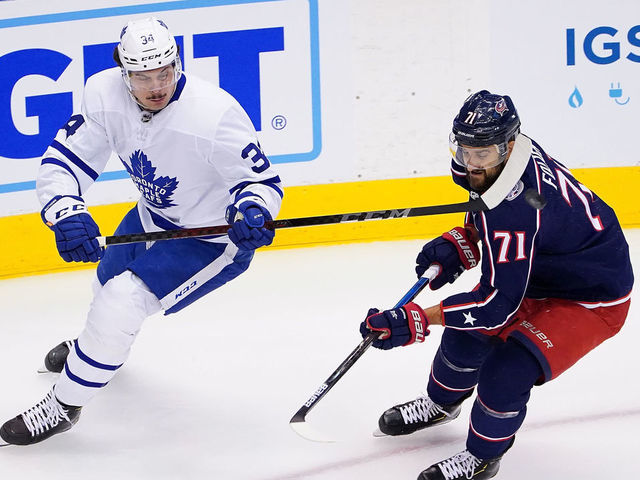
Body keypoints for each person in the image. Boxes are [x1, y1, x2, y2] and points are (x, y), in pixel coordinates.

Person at [0, 17, 282, 446]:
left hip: (207, 239)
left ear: (177, 63)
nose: (156, 86)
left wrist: (254, 210)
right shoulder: (102, 93)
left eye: (165, 72)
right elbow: (66, 161)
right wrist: (65, 210)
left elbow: (259, 183)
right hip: (150, 217)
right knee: (104, 285)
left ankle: (63, 406)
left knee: (121, 301)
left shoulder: (215, 113)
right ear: (123, 72)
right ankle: (96, 350)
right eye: (142, 76)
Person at [359, 90, 633, 479]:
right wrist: (467, 239)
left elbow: (493, 305)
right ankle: (442, 404)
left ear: (507, 146)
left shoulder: (518, 206)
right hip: (543, 269)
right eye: (464, 150)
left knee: (507, 371)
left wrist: (416, 319)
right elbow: (496, 215)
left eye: (481, 154)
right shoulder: (508, 160)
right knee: (463, 335)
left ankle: (482, 458)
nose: (471, 163)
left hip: (591, 297)